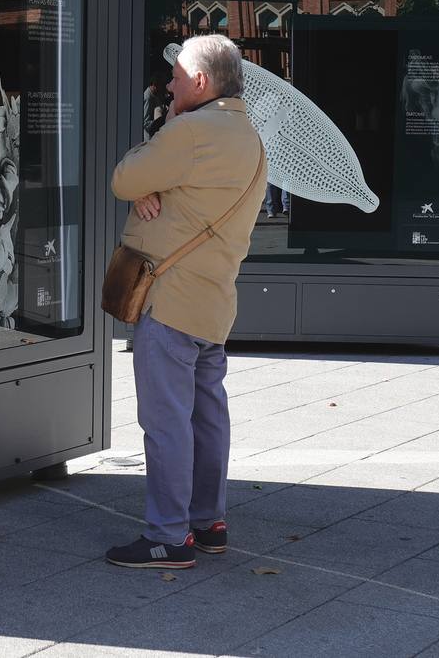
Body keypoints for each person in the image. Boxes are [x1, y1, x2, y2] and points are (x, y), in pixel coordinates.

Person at [106, 34, 267, 569]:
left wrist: (166, 132)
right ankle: (208, 522)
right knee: (206, 419)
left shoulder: (190, 131)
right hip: (214, 304)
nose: (169, 85)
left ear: (200, 82)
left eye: (176, 77)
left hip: (168, 304)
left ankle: (169, 538)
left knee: (166, 421)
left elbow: (124, 176)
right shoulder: (252, 138)